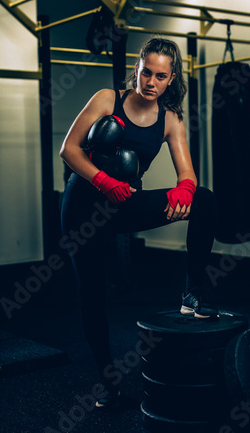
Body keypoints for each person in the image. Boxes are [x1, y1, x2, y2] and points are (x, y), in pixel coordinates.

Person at [60, 37, 218, 407]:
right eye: (146, 72)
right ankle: (107, 382)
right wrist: (103, 180)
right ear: (137, 69)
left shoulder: (170, 120)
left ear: (170, 78)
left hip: (124, 203)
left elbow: (188, 174)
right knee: (93, 294)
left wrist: (184, 190)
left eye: (160, 76)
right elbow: (69, 148)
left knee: (204, 199)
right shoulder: (106, 99)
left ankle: (192, 294)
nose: (150, 82)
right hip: (84, 205)